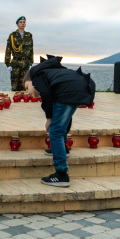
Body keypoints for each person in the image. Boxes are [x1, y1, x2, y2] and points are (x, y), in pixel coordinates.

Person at [24, 55, 95, 187]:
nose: (28, 92)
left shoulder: (36, 75)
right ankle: (63, 148)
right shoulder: (52, 73)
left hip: (69, 91)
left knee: (54, 131)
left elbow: (45, 95)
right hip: (82, 87)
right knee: (60, 121)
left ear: (30, 81)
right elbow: (63, 114)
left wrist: (49, 118)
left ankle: (61, 174)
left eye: (27, 87)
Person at [5, 16, 34, 91]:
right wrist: (8, 64)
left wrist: (31, 63)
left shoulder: (29, 36)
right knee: (15, 85)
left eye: (24, 22)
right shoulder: (12, 35)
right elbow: (8, 50)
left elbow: (31, 50)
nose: (22, 24)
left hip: (26, 63)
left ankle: (24, 102)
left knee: (25, 85)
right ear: (17, 24)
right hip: (16, 63)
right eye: (20, 22)